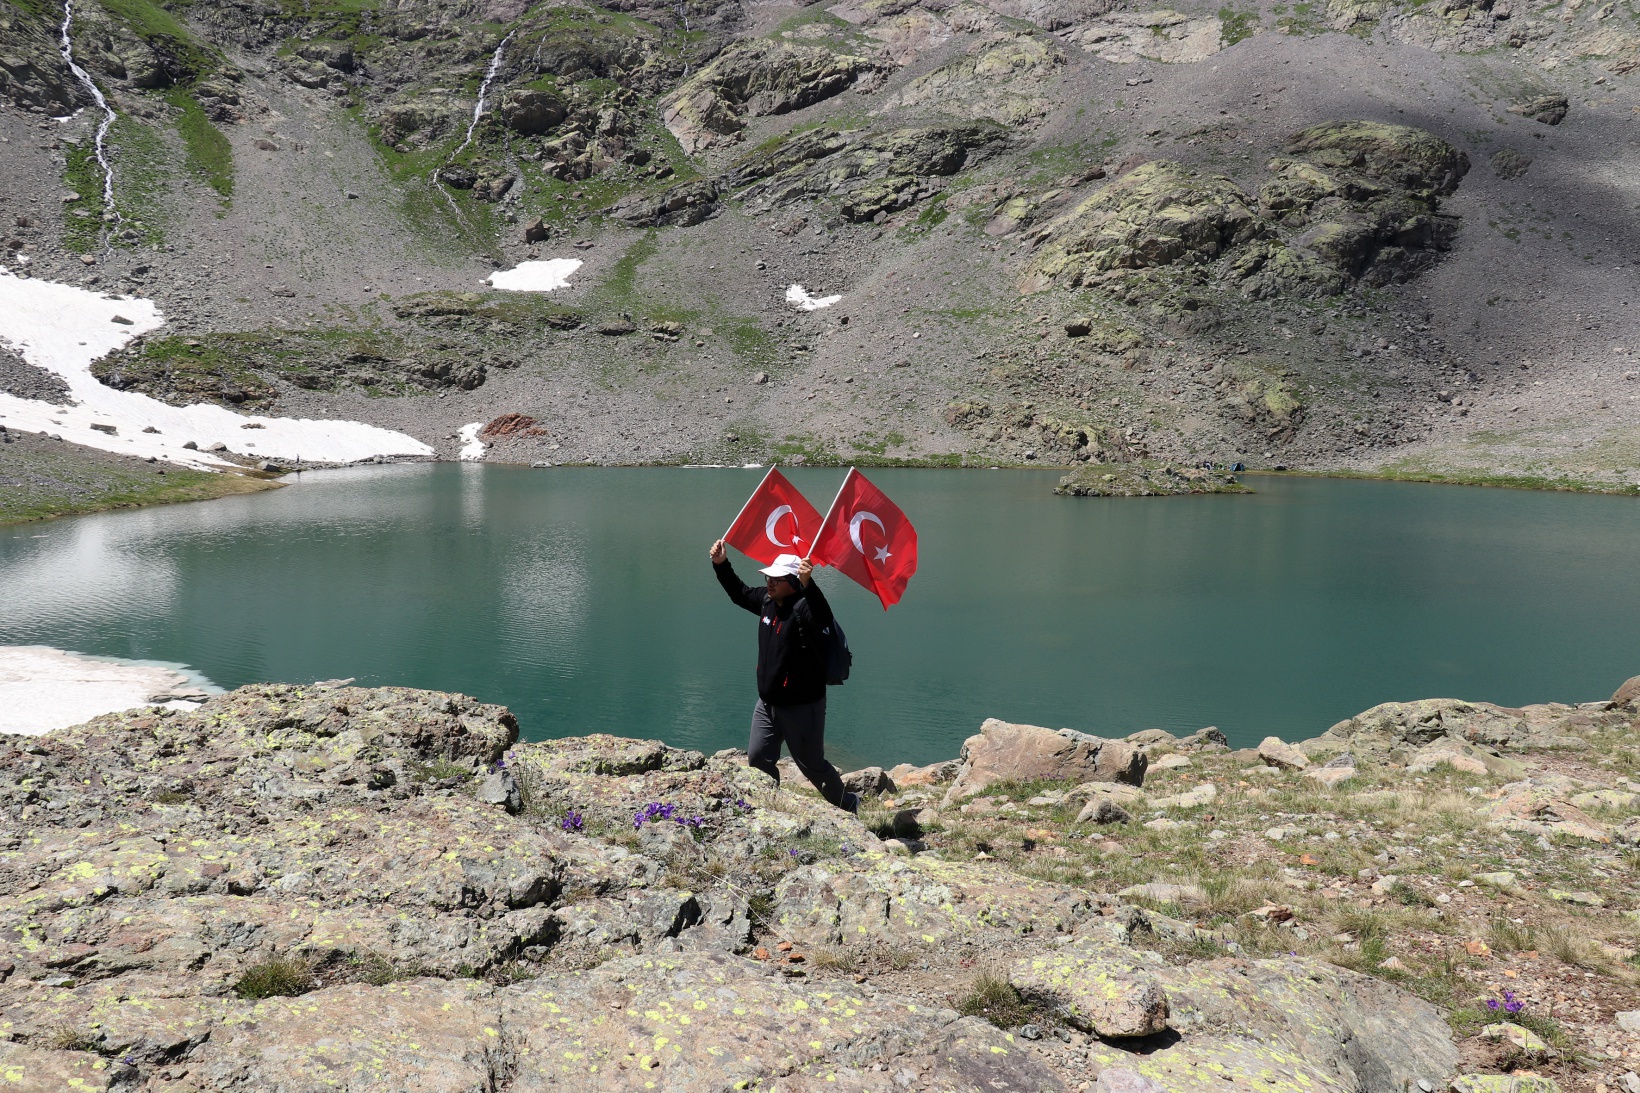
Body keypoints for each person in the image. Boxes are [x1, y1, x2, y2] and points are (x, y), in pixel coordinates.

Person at [710, 538, 858, 814]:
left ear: (792, 581)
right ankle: (773, 808)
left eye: (777, 578)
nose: (770, 582)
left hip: (802, 707)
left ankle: (848, 805)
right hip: (767, 704)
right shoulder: (768, 601)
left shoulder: (804, 609)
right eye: (769, 576)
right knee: (757, 758)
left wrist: (809, 584)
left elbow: (824, 616)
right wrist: (721, 565)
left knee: (812, 765)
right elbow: (739, 593)